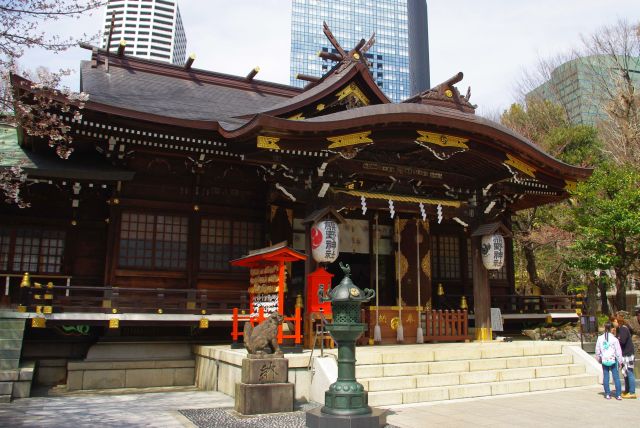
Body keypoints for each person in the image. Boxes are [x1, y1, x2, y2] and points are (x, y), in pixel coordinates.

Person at [595, 321, 623, 400]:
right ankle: (618, 395)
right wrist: (620, 361)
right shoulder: (614, 339)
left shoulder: (600, 338)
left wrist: (598, 358)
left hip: (604, 359)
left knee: (606, 377)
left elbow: (597, 350)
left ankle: (607, 394)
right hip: (613, 360)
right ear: (611, 329)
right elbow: (618, 351)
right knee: (616, 377)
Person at [613, 314, 637, 399]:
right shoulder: (621, 329)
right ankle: (627, 390)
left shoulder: (623, 328)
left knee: (629, 373)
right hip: (626, 354)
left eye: (614, 321)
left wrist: (616, 337)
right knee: (626, 373)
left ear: (617, 321)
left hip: (628, 354)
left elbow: (622, 341)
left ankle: (632, 392)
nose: (613, 323)